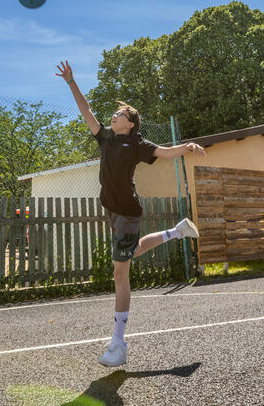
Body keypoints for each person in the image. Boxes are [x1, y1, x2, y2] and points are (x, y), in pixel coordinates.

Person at [56, 60, 205, 367]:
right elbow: (86, 110)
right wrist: (71, 82)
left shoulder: (137, 144)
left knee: (119, 272)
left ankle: (118, 342)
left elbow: (164, 153)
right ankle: (177, 231)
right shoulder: (106, 137)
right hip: (112, 209)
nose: (115, 116)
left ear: (131, 124)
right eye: (115, 113)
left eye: (120, 115)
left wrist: (187, 146)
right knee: (130, 253)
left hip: (127, 212)